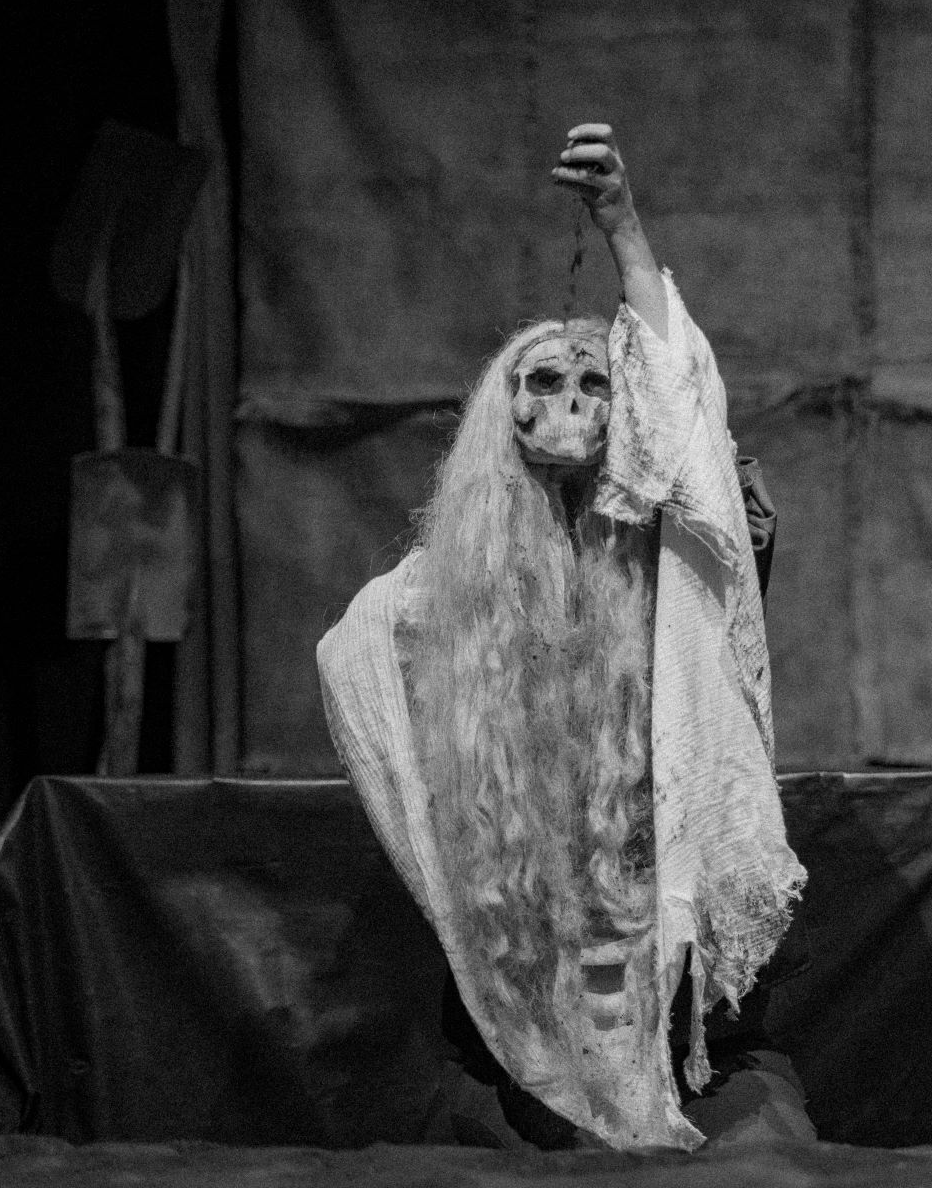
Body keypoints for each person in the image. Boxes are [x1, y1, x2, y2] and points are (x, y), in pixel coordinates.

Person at [318, 125, 811, 1151]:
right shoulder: (455, 575)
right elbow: (358, 649)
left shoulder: (667, 556)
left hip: (640, 901)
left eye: (593, 386)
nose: (571, 406)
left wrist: (622, 225)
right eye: (543, 384)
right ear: (504, 414)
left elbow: (679, 389)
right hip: (525, 909)